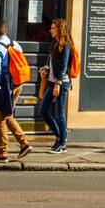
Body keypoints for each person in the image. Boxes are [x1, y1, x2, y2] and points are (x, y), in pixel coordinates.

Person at [0, 18, 31, 161]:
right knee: (7, 114)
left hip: (4, 87)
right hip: (17, 84)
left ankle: (2, 153)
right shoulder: (16, 45)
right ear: (5, 30)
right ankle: (24, 143)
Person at [37, 18, 73, 153]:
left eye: (53, 28)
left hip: (61, 83)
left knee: (60, 113)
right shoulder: (54, 44)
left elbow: (64, 66)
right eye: (51, 28)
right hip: (52, 81)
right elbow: (51, 63)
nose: (50, 30)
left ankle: (62, 144)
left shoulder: (65, 46)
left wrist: (58, 83)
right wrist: (45, 69)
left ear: (59, 29)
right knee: (43, 110)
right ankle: (60, 136)